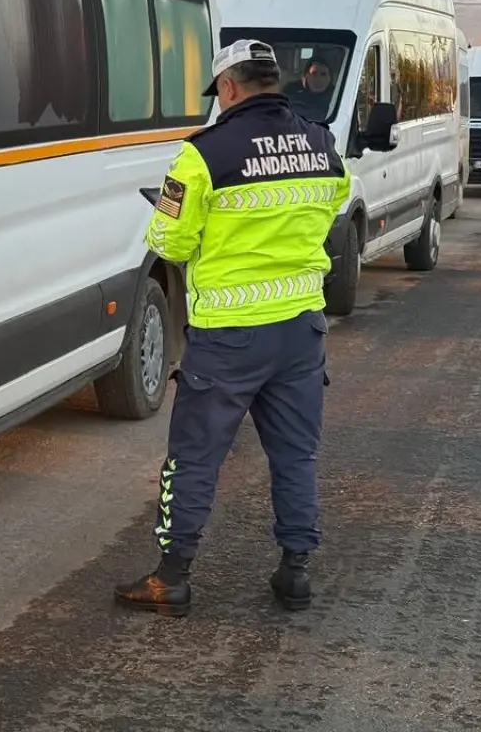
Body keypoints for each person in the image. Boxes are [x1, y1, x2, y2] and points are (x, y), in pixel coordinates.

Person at [114, 39, 351, 617]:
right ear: (275, 82)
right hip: (300, 329)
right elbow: (333, 209)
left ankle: (172, 578)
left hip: (228, 335)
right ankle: (295, 571)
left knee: (193, 458)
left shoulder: (203, 155)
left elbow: (168, 241)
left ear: (227, 88)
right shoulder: (322, 143)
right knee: (295, 455)